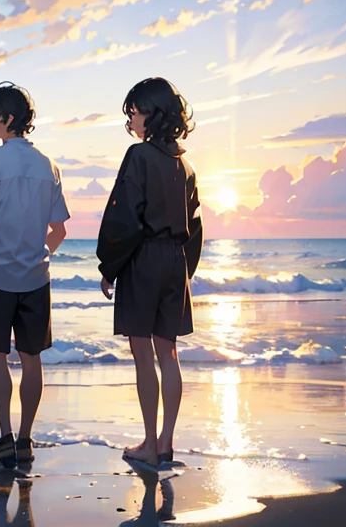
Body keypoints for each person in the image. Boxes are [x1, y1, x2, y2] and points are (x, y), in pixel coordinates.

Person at [0, 82, 70, 468]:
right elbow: (59, 231)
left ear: (7, 118)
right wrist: (40, 254)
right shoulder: (49, 165)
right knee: (31, 359)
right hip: (35, 278)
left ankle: (5, 437)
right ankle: (25, 440)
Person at [97, 77, 203, 469]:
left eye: (135, 113)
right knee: (169, 353)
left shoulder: (138, 157)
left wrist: (109, 267)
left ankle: (149, 445)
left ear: (153, 114)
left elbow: (125, 216)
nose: (132, 121)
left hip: (143, 259)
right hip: (175, 260)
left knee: (143, 354)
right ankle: (166, 442)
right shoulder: (186, 165)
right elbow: (196, 226)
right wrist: (184, 270)